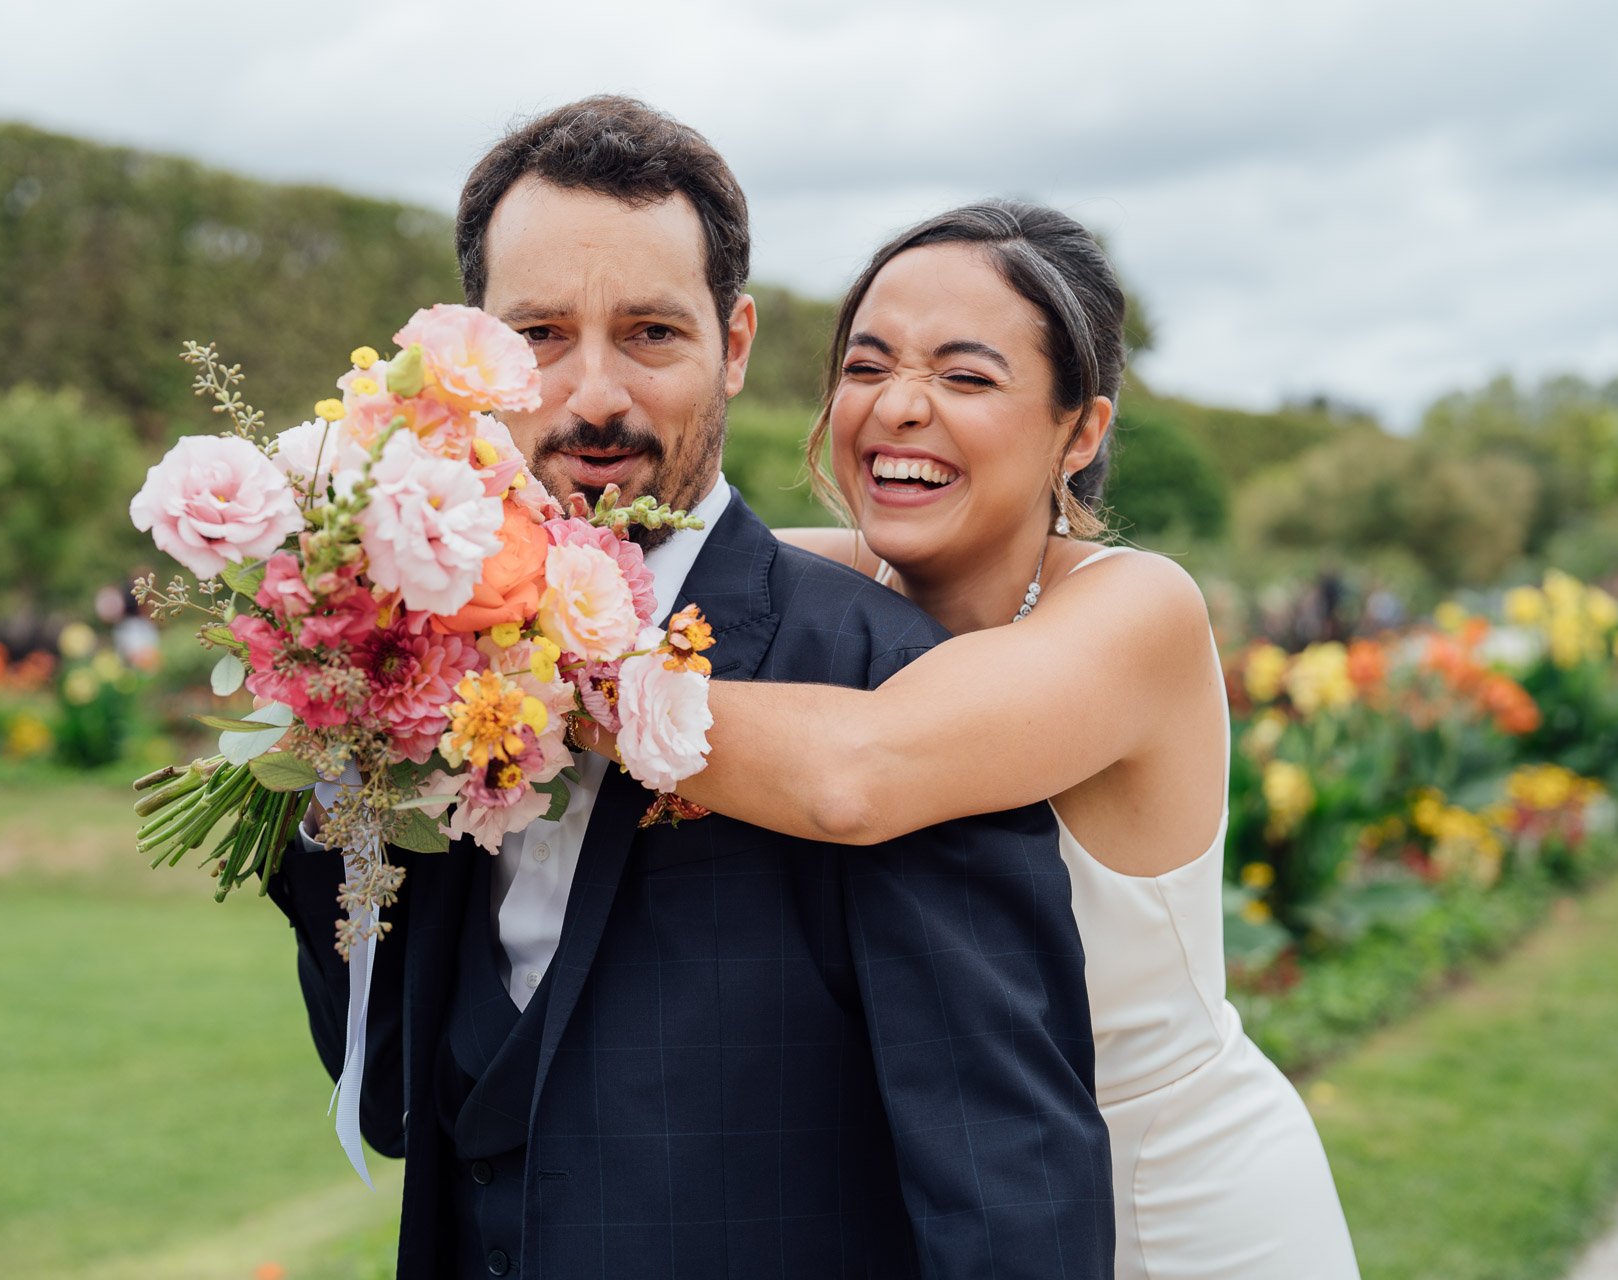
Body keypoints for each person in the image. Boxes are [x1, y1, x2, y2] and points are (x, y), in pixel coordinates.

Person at [263, 98, 1115, 1279]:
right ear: (471, 356)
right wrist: (334, 750)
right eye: (542, 334)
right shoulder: (412, 640)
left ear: (738, 341)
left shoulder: (898, 681)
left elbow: (1007, 1186)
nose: (595, 395)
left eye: (653, 334)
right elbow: (397, 1095)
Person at [599, 200, 1361, 1279]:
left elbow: (853, 776)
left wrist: (542, 675)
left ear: (1082, 430)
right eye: (868, 366)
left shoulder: (1138, 607)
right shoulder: (834, 583)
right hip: (969, 1195)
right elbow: (643, 563)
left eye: (965, 376)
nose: (900, 407)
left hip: (1171, 1200)